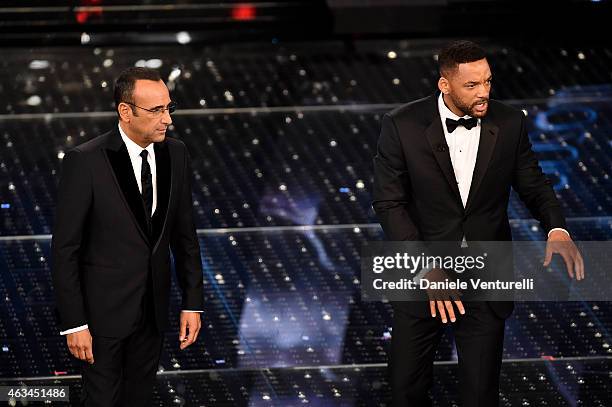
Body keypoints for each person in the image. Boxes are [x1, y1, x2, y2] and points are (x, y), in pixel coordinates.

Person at [372, 40, 584, 406]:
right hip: (423, 275)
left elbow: (533, 183)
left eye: (488, 81)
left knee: (480, 394)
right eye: (472, 85)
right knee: (406, 389)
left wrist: (557, 228)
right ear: (445, 85)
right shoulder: (402, 125)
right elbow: (389, 204)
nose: (484, 92)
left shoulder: (509, 122)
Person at [52, 67, 204, 406]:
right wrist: (74, 324)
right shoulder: (86, 161)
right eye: (156, 110)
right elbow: (66, 249)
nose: (167, 120)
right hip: (101, 319)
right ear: (125, 111)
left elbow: (185, 235)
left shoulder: (176, 154)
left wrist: (193, 303)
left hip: (152, 314)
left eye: (169, 108)